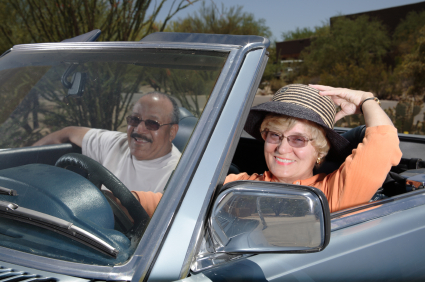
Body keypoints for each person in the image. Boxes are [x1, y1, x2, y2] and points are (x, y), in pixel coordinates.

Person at [133, 84, 402, 216]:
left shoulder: (332, 193)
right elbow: (171, 204)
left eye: (298, 139)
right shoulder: (239, 186)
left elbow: (383, 142)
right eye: (275, 135)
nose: (282, 148)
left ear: (319, 150)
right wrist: (112, 197)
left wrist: (366, 99)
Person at [33, 92, 181, 195]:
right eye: (134, 119)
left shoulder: (180, 175)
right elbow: (68, 132)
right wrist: (27, 164)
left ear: (172, 132)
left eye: (152, 123)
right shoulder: (116, 143)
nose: (139, 129)